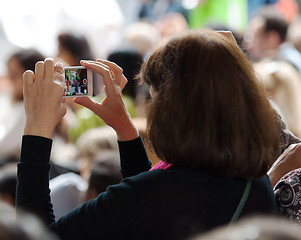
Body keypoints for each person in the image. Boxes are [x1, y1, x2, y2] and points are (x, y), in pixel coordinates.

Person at [16, 29, 280, 239]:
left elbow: (34, 235)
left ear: (171, 111)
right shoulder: (257, 182)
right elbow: (149, 211)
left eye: (152, 98)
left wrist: (37, 130)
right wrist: (125, 129)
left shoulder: (153, 195)